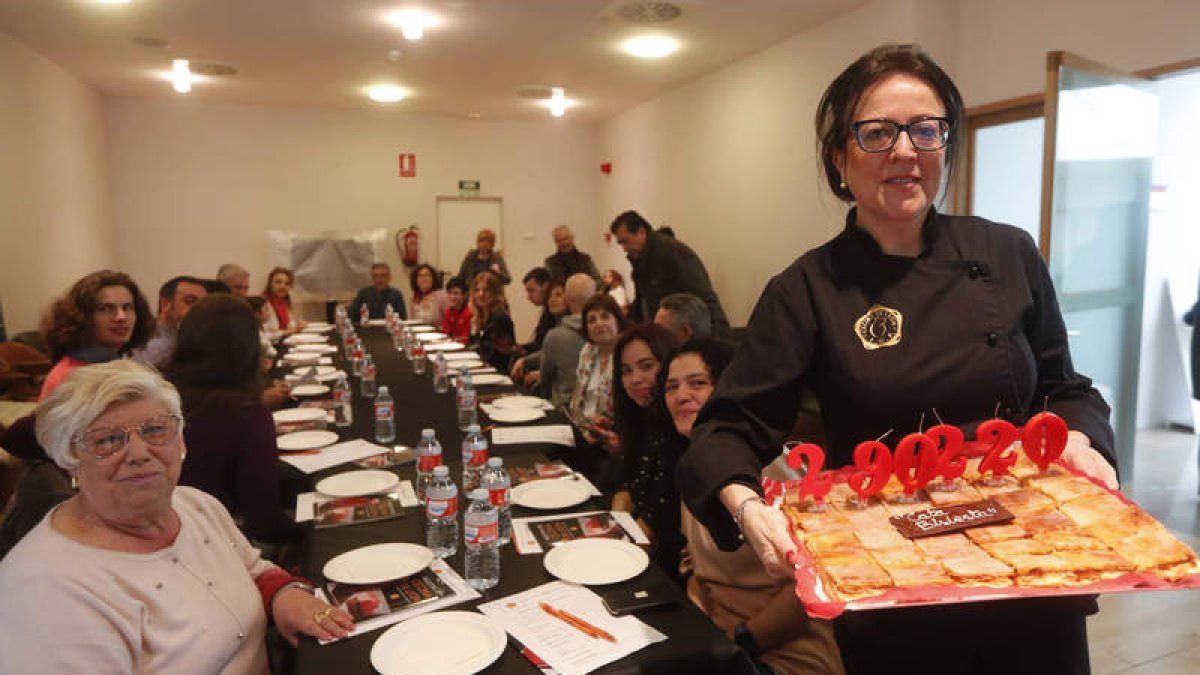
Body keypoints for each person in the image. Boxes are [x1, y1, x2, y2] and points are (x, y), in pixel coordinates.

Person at [677, 44, 1117, 674]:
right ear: (839, 157)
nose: (906, 150)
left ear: (945, 145)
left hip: (1028, 567)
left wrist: (1078, 435)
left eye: (926, 130)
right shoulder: (807, 289)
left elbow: (1065, 387)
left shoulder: (1008, 252)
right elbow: (726, 429)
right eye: (878, 132)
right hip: (896, 585)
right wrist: (747, 507)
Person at [0, 360, 353, 672]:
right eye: (107, 440)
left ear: (181, 441)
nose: (139, 453)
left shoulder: (194, 506)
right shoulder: (46, 596)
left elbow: (252, 570)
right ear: (68, 457)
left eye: (155, 430)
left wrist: (284, 595)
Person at [664, 340, 845, 675]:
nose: (681, 395)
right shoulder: (693, 465)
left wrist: (738, 639)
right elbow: (696, 560)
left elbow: (818, 583)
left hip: (784, 655)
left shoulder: (775, 471)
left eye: (698, 383)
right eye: (672, 387)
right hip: (720, 640)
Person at [163, 294, 303, 546]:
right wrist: (312, 534)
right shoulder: (245, 414)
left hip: (161, 536)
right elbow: (264, 524)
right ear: (249, 348)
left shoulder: (161, 394)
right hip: (216, 544)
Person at [608, 324, 683, 581]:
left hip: (672, 566)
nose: (635, 379)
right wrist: (618, 517)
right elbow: (627, 485)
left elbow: (658, 526)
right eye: (626, 371)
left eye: (647, 366)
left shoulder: (681, 428)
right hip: (642, 548)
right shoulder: (641, 419)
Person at [40, 270, 155, 398]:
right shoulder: (66, 379)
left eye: (127, 307)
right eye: (105, 308)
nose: (121, 317)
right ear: (81, 317)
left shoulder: (125, 366)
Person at [610, 211, 730, 334]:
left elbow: (701, 296)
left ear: (641, 232)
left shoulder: (671, 252)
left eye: (625, 241)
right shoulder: (643, 261)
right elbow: (643, 302)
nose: (624, 249)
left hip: (694, 333)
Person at [537, 274, 596, 405]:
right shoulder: (605, 332)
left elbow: (544, 381)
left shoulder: (554, 337)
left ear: (567, 299)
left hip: (564, 410)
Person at [134, 275, 208, 367]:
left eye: (203, 304)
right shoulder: (139, 340)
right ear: (165, 304)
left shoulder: (200, 341)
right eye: (189, 301)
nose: (199, 309)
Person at [512, 282, 569, 388]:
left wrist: (539, 373)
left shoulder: (570, 329)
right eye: (550, 296)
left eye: (558, 295)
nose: (552, 299)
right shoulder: (550, 323)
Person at [468, 271, 518, 372]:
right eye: (477, 290)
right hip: (482, 368)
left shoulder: (499, 317)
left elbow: (494, 354)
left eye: (486, 290)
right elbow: (473, 344)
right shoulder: (480, 315)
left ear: (495, 293)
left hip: (496, 372)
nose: (481, 294)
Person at [262, 266, 307, 334]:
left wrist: (298, 325)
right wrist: (292, 330)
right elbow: (265, 334)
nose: (283, 286)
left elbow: (288, 325)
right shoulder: (263, 304)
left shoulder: (284, 302)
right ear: (270, 284)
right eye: (278, 282)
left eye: (287, 283)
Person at [442, 276, 472, 341]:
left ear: (465, 295)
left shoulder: (470, 312)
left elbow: (465, 338)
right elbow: (445, 332)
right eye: (449, 293)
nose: (452, 297)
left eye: (456, 293)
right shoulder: (450, 311)